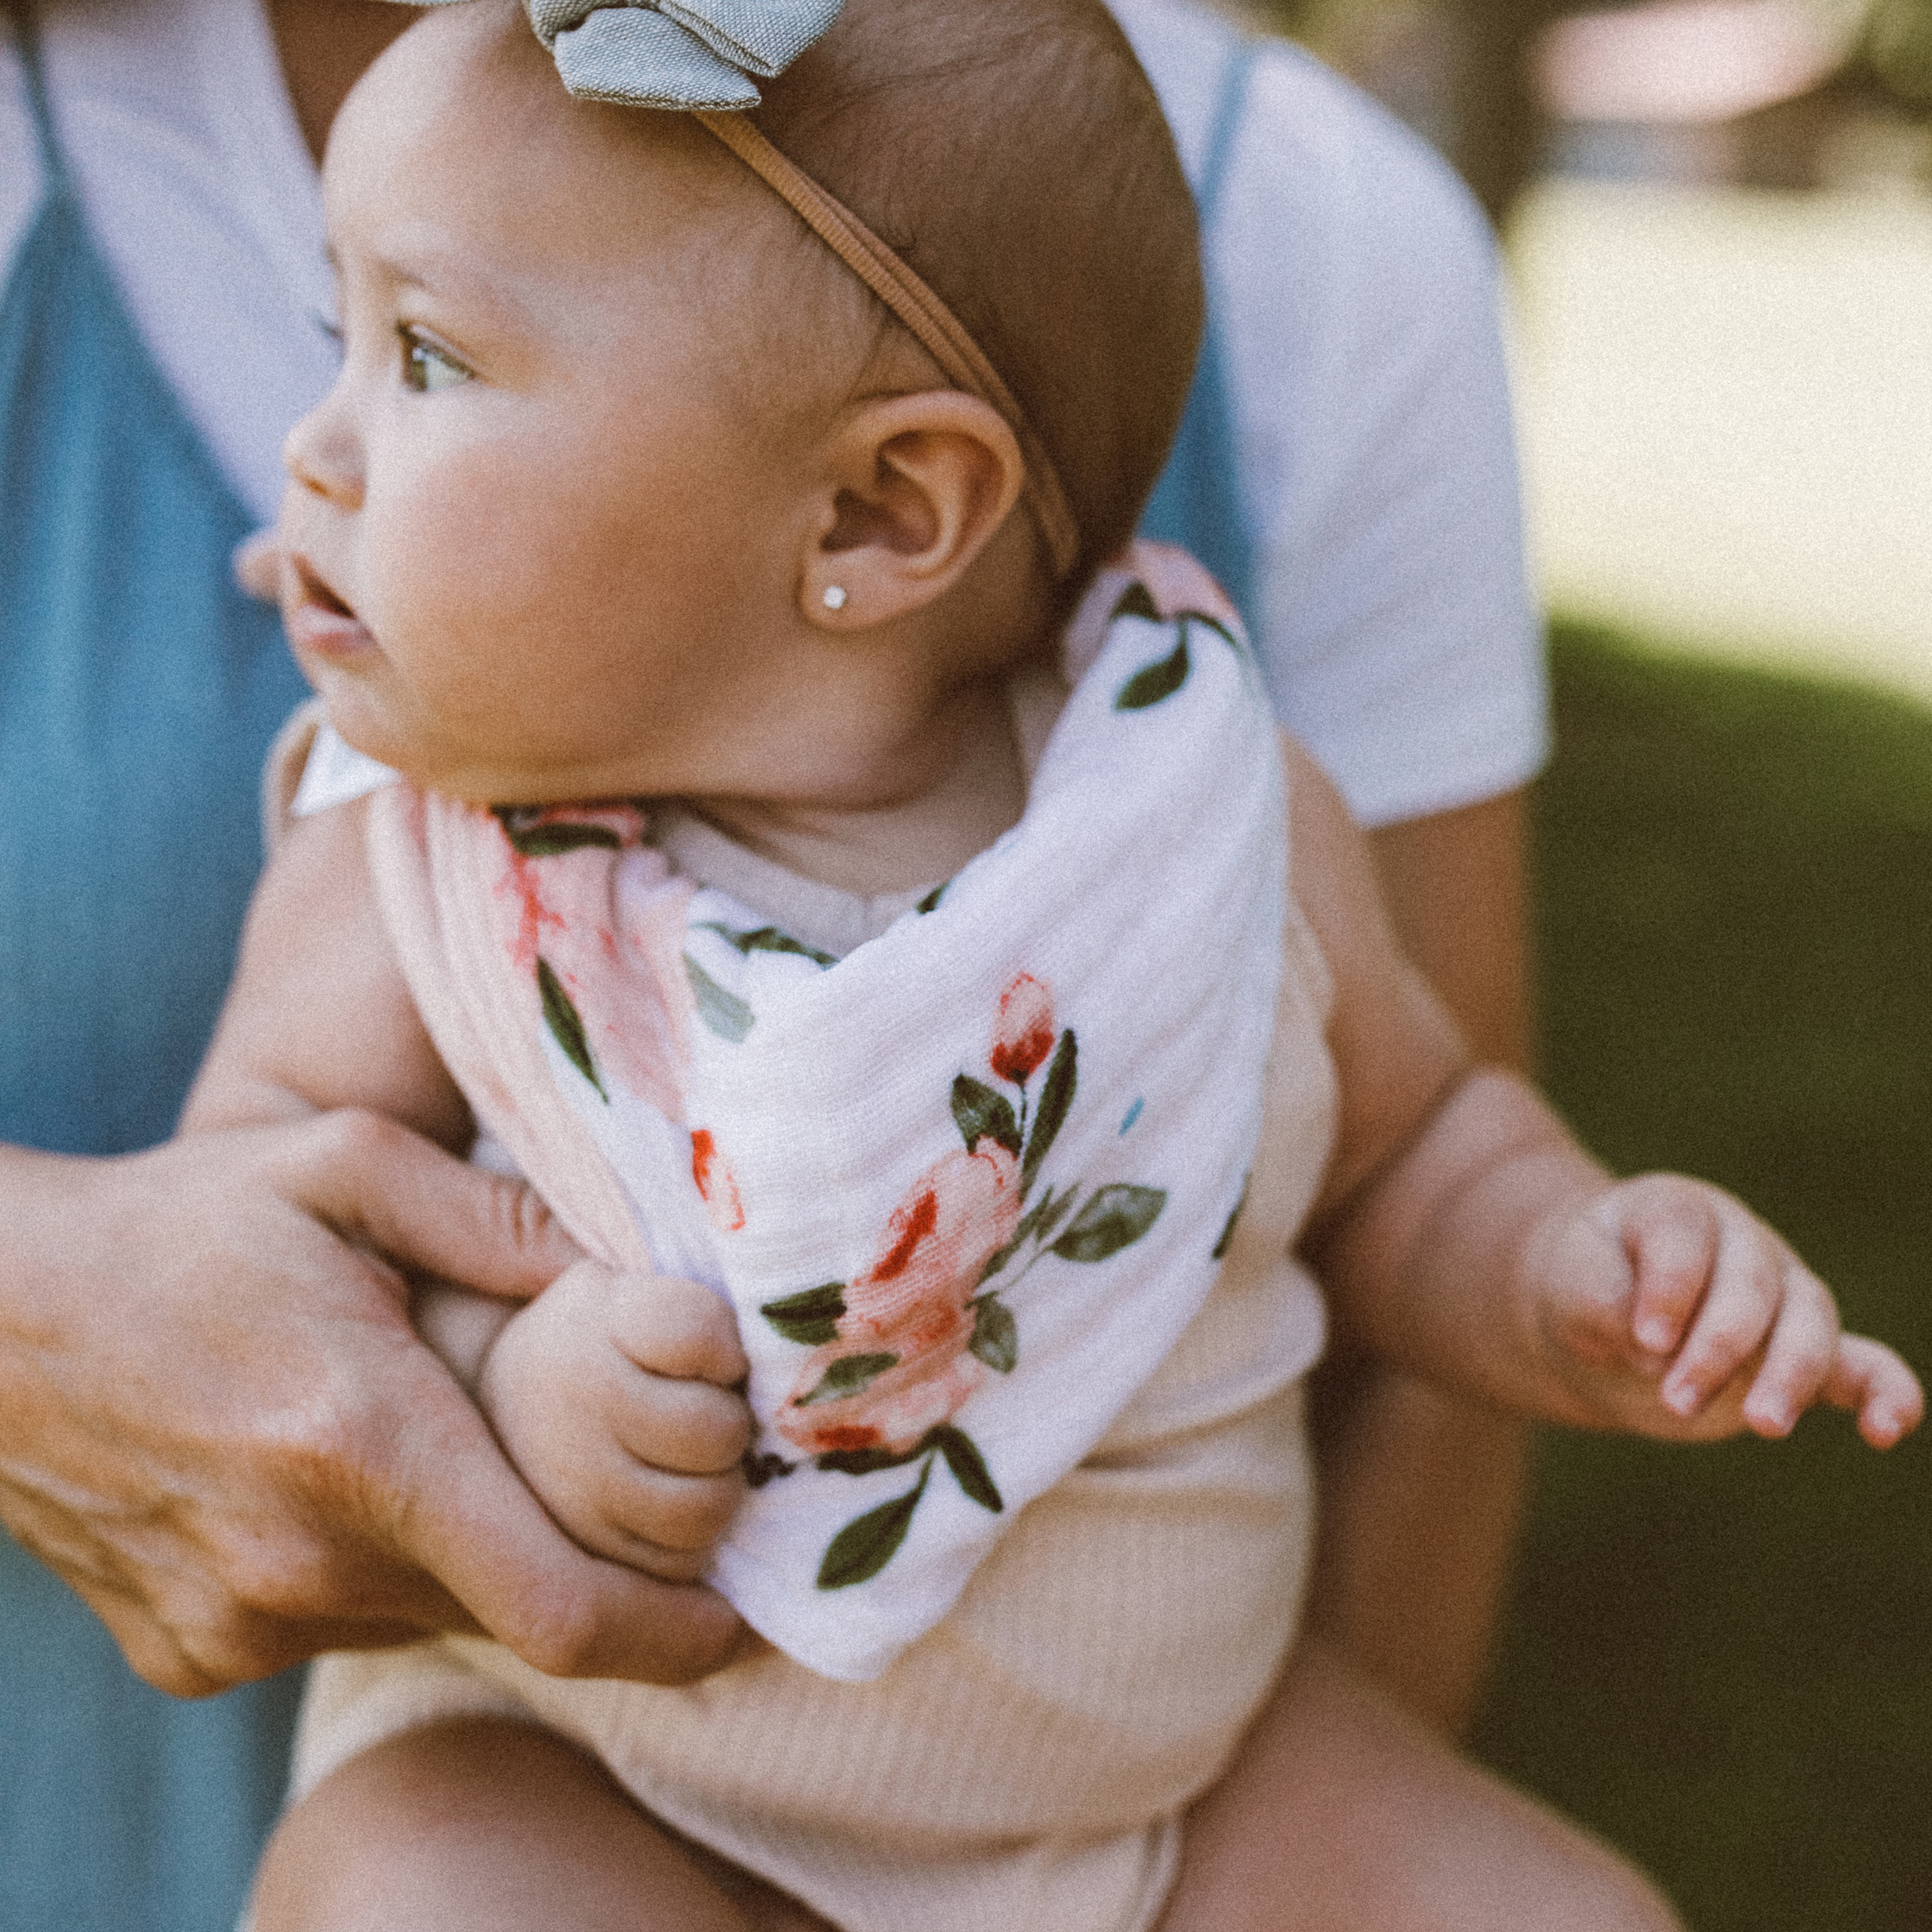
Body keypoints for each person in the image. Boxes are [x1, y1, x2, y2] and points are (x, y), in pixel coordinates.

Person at [172, 4, 1921, 1928]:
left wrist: (1571, 1269)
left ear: (876, 512)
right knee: (433, 1899)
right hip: (596, 1771)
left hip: (1170, 1794)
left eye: (422, 355)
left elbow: (1416, 1156)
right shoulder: (421, 872)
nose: (315, 450)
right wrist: (504, 1367)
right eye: (333, 336)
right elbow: (254, 1277)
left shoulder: (1197, 820)